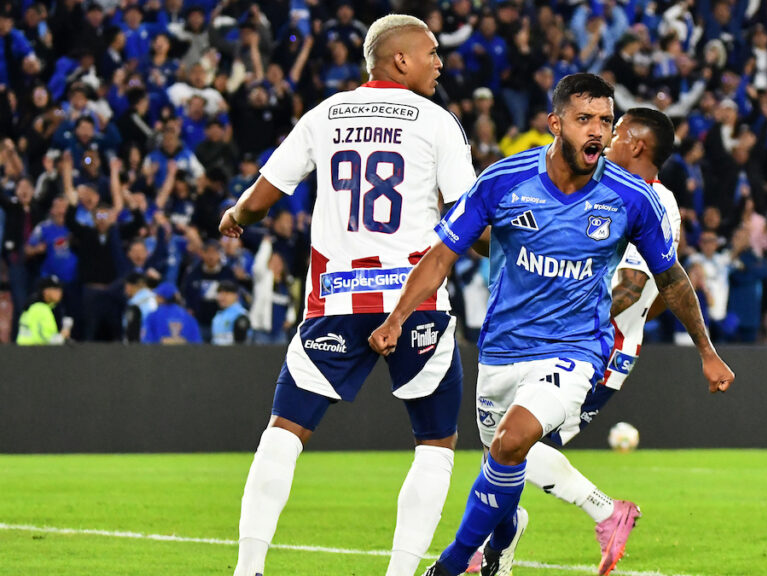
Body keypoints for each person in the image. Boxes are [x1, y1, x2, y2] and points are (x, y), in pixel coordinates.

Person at [369, 73, 734, 576]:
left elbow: (669, 279)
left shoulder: (634, 198)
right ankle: (502, 538)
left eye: (606, 122)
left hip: (575, 349)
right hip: (500, 350)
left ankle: (451, 565)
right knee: (502, 462)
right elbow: (443, 255)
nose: (598, 132)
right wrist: (396, 317)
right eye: (586, 120)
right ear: (555, 123)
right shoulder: (503, 180)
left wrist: (707, 351)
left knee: (514, 441)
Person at [218, 15, 478, 576]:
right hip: (417, 303)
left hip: (335, 300)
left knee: (284, 433)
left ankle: (248, 568)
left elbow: (264, 197)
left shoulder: (324, 114)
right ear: (399, 60)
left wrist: (236, 215)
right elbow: (469, 220)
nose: (439, 61)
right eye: (431, 52)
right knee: (435, 445)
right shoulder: (437, 122)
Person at [468, 107, 684, 575]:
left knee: (513, 444)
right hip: (571, 342)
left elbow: (634, 285)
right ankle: (496, 545)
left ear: (637, 145)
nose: (606, 138)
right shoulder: (602, 191)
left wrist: (575, 324)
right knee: (504, 446)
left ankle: (604, 511)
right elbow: (653, 295)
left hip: (593, 347)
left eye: (617, 129)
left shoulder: (650, 200)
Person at [16, 275, 70, 345]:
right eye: (56, 289)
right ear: (46, 291)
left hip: (24, 349)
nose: (60, 292)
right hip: (34, 351)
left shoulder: (33, 305)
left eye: (60, 289)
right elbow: (46, 340)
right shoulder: (41, 308)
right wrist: (62, 336)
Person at [211, 281, 251, 345]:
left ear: (236, 296)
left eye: (226, 293)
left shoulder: (240, 315)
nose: (222, 297)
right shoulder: (218, 315)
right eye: (220, 293)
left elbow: (241, 344)